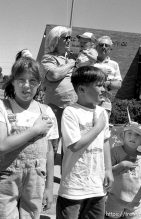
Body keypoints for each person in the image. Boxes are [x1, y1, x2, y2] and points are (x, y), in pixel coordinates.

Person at [0, 57, 58, 218]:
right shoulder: (2, 107)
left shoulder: (45, 112)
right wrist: (35, 130)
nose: (27, 85)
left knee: (31, 215)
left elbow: (49, 152)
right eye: (21, 80)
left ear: (39, 84)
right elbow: (2, 145)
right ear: (12, 82)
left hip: (36, 180)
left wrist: (49, 188)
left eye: (33, 81)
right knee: (2, 215)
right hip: (8, 176)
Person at [56, 66, 113, 219]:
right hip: (73, 186)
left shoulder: (102, 112)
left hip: (97, 185)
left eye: (104, 85)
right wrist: (97, 127)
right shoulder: (71, 112)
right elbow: (75, 146)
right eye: (99, 85)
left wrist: (108, 169)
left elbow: (105, 141)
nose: (103, 89)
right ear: (81, 89)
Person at [105, 122, 141, 219]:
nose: (133, 137)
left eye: (137, 135)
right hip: (114, 199)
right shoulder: (115, 152)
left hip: (135, 203)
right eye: (129, 133)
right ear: (123, 136)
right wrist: (121, 165)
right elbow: (106, 172)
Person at [41, 26, 77, 135]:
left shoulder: (70, 58)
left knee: (70, 142)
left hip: (73, 106)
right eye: (65, 37)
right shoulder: (49, 58)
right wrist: (70, 64)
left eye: (70, 37)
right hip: (56, 107)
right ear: (55, 40)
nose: (69, 40)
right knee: (53, 140)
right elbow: (54, 74)